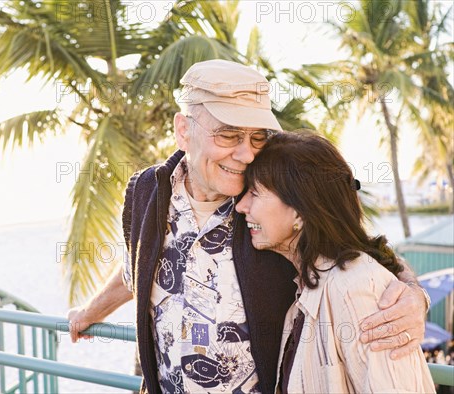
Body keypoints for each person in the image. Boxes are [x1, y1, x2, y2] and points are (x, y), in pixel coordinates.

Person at [67, 59, 429, 393]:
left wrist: (414, 295)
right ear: (183, 130)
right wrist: (89, 313)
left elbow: (354, 250)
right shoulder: (147, 192)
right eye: (228, 135)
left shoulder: (269, 203)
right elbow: (137, 264)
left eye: (257, 137)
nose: (246, 154)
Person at [235, 131, 435, 393]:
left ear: (299, 211)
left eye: (255, 192)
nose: (241, 206)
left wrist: (416, 293)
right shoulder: (309, 288)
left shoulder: (355, 287)